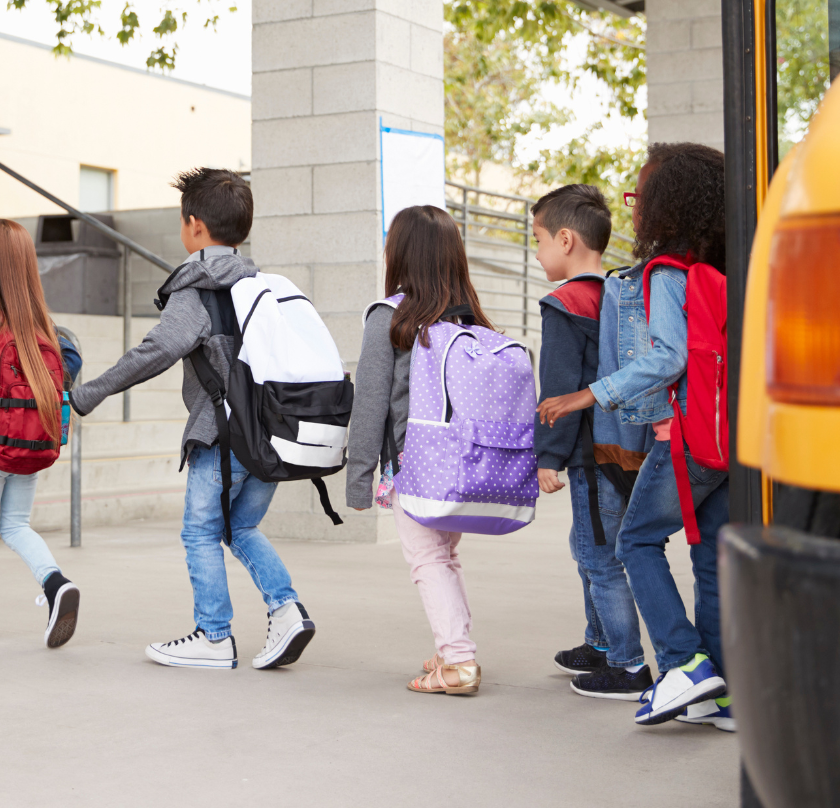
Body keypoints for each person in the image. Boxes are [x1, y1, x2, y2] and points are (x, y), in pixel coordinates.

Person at [70, 168, 315, 671]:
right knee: (241, 527)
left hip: (223, 435)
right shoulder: (260, 284)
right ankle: (286, 609)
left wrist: (88, 393)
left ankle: (214, 634)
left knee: (201, 531)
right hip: (272, 435)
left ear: (194, 225)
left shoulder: (199, 287)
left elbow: (158, 348)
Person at [537, 143, 734, 730]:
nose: (635, 209)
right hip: (728, 440)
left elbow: (667, 358)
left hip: (685, 437)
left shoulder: (666, 274)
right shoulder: (724, 271)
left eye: (641, 197)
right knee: (710, 559)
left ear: (667, 207)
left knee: (635, 542)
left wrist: (586, 394)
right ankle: (722, 694)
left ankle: (683, 662)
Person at [346, 205, 495, 696]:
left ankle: (458, 663)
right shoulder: (470, 319)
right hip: (464, 462)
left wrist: (358, 477)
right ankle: (453, 649)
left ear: (400, 254)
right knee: (444, 557)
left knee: (426, 560)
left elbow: (369, 404)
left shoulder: (389, 317)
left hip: (416, 463)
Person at [531, 184, 652, 701]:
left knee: (600, 555)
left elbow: (556, 388)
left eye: (536, 239)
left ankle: (627, 665)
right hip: (627, 446)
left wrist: (547, 457)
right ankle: (598, 643)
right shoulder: (618, 295)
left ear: (564, 239)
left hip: (588, 452)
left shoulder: (564, 304)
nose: (536, 252)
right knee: (591, 548)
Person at [0, 219, 81, 648]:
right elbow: (70, 365)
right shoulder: (43, 328)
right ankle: (55, 584)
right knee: (14, 524)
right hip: (28, 448)